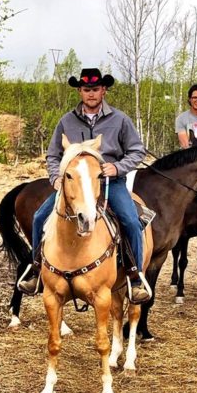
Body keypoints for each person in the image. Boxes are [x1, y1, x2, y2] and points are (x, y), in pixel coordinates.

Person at [17, 66, 152, 302]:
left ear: (104, 91)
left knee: (131, 220)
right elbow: (52, 156)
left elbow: (137, 150)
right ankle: (37, 269)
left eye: (96, 89)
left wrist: (117, 167)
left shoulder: (119, 119)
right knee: (40, 217)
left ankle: (135, 277)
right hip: (75, 186)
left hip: (110, 183)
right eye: (86, 89)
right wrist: (55, 178)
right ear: (80, 91)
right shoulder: (66, 121)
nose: (91, 93)